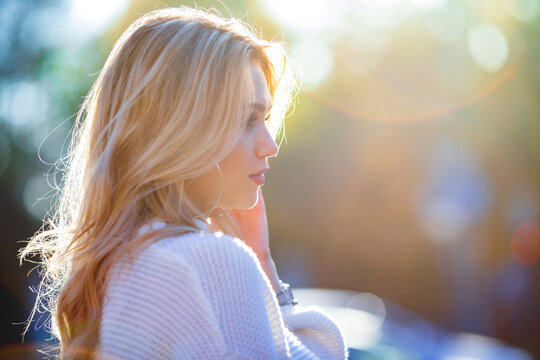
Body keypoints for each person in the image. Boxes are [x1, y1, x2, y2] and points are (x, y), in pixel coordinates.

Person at [20, 6, 348, 359]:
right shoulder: (208, 263)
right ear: (180, 129)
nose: (271, 144)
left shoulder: (115, 267)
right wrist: (264, 266)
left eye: (266, 118)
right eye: (247, 119)